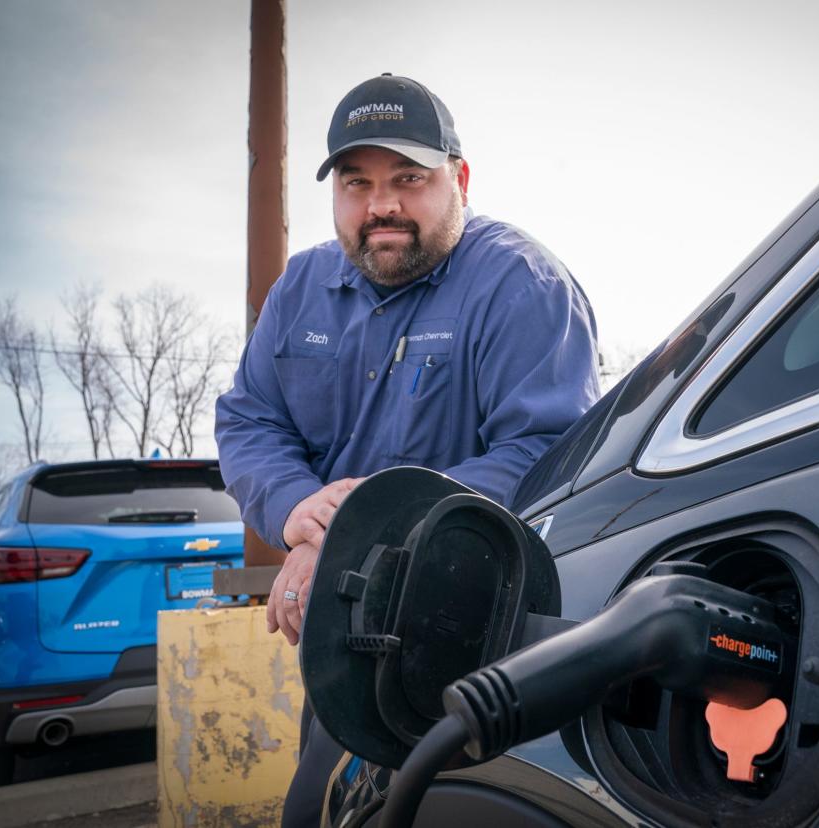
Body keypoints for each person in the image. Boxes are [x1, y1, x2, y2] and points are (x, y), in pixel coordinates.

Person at [214, 73, 600, 824]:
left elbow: (550, 453)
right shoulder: (300, 290)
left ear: (459, 179)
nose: (380, 204)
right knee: (319, 812)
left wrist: (361, 530)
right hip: (338, 644)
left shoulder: (522, 286)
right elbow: (249, 421)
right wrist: (301, 515)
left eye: (408, 179)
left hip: (474, 640)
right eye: (356, 183)